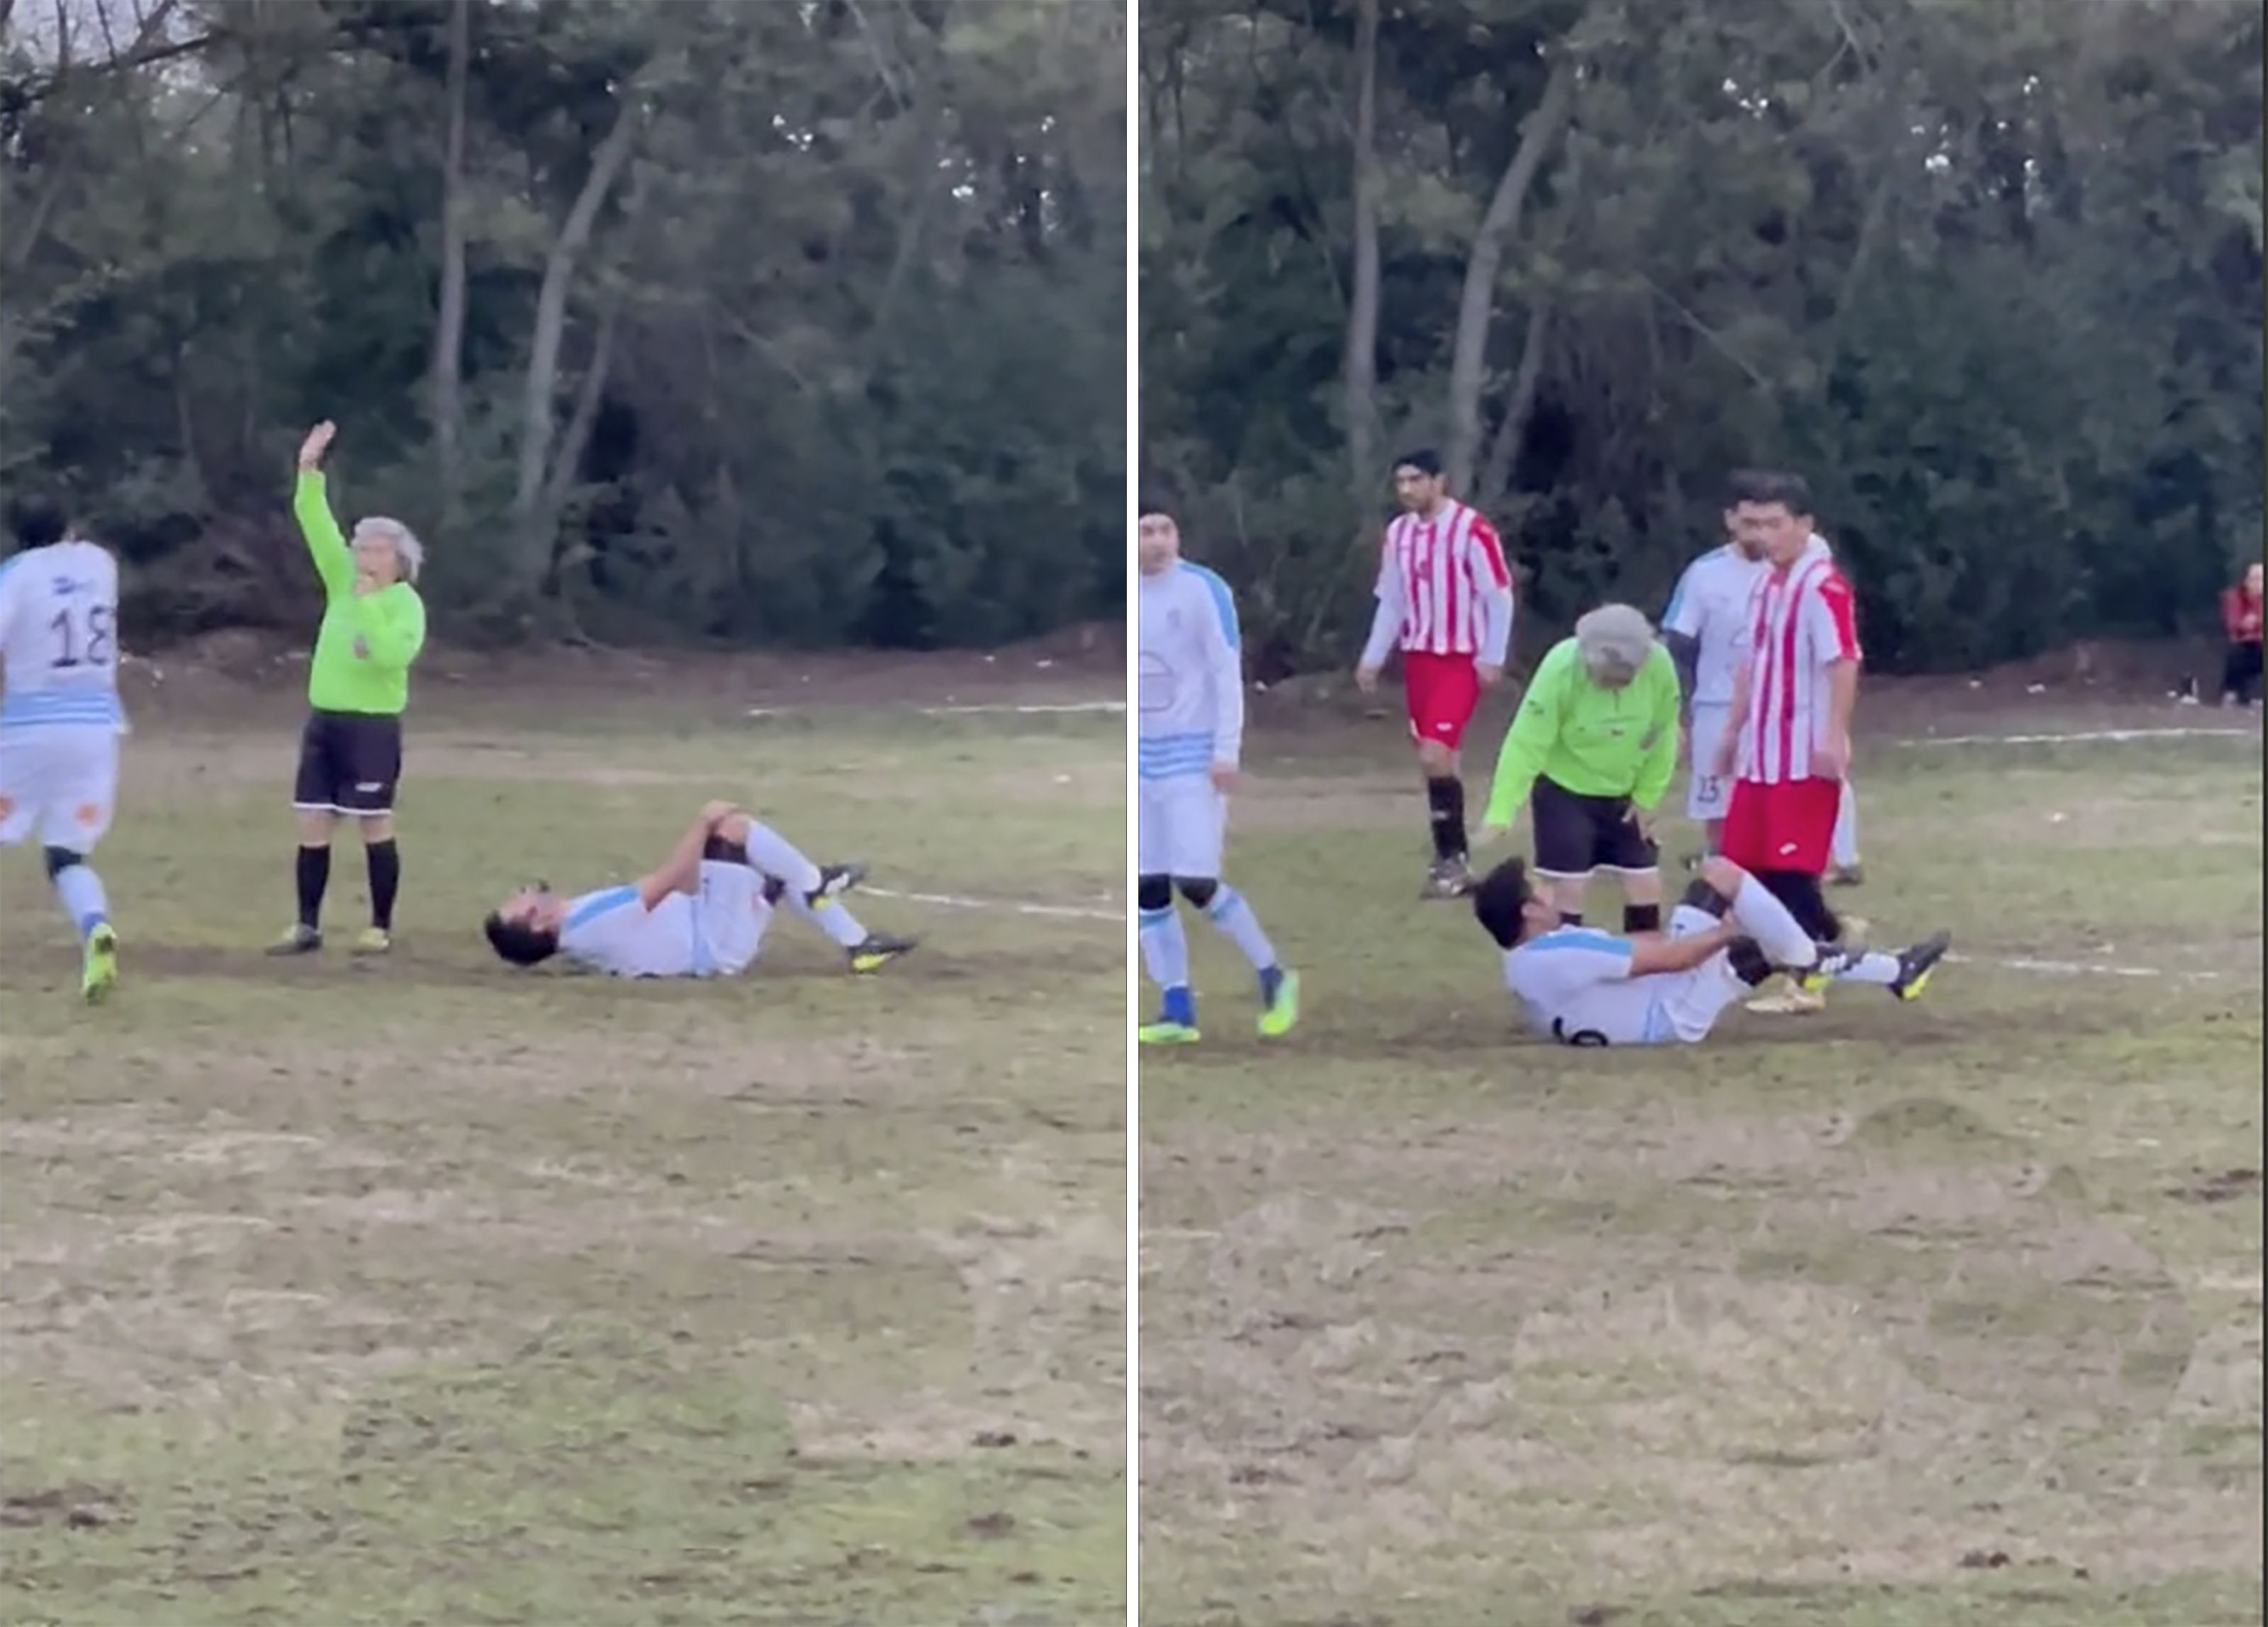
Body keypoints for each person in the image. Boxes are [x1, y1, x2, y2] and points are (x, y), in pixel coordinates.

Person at [1469, 852, 1949, 1047]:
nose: (1551, 891)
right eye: (1540, 889)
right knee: (1729, 884)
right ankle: (1813, 963)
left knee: (1738, 906)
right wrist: (1724, 932)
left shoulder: (1524, 963)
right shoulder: (1562, 953)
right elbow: (1673, 959)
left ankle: (1893, 972)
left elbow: (1639, 950)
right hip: (1673, 1008)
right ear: (1529, 911)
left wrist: (1693, 936)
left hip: (1661, 1010)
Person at [1135, 502, 1299, 1045]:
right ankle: (1176, 1008)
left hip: (1195, 755)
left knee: (1197, 883)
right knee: (1148, 887)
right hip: (1143, 759)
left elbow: (1226, 671)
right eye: (1146, 530)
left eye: (1165, 529)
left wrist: (1226, 751)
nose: (1158, 540)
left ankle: (1273, 974)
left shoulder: (1203, 590)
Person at [269, 421, 429, 957]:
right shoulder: (342, 581)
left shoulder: (404, 604)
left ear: (399, 559)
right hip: (326, 721)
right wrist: (308, 470)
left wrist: (367, 609)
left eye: (378, 550)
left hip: (372, 727)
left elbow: (392, 656)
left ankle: (379, 925)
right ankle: (306, 925)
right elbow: (315, 522)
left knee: (374, 822)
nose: (365, 557)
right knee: (312, 820)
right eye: (362, 548)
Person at [1708, 472, 1860, 1016]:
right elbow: (1752, 665)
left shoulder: (1822, 587)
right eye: (1754, 524)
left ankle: (1809, 977)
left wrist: (1833, 735)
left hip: (1801, 754)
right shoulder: (1765, 586)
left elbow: (1843, 661)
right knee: (1750, 869)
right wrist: (1732, 733)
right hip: (1762, 755)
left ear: (1804, 525)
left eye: (1775, 524)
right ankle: (1831, 938)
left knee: (1791, 872)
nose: (1763, 535)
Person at [482, 799, 917, 977]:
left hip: (707, 925)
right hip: (716, 939)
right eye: (518, 904)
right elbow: (668, 880)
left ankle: (859, 944)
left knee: (768, 864)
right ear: (536, 923)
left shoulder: (578, 924)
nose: (523, 894)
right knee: (733, 830)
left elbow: (676, 888)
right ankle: (817, 884)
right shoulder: (587, 925)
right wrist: (701, 821)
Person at [1354, 449, 1515, 899]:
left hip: (1459, 658)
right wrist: (1373, 656)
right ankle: (1453, 862)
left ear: (1439, 481)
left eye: (1416, 480)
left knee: (1434, 754)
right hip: (1419, 658)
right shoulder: (1399, 534)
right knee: (1439, 762)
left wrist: (1493, 655)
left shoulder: (1471, 529)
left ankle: (1451, 860)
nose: (1407, 489)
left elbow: (1498, 596)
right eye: (1400, 481)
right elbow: (1393, 600)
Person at [1476, 604, 1680, 936]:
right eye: (1608, 676)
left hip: (1625, 794)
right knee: (1568, 890)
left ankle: (1646, 961)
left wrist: (1647, 798)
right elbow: (1526, 744)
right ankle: (1565, 959)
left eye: (1626, 676)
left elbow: (1664, 732)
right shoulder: (1559, 668)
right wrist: (1501, 813)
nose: (1617, 684)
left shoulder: (1660, 667)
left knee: (1645, 882)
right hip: (1565, 793)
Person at [0, 495, 125, 1002]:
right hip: (96, 727)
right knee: (67, 853)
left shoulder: (15, 575)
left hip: (29, 725)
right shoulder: (101, 565)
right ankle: (95, 926)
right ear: (68, 525)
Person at [2221, 563, 2262, 708]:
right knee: (2237, 652)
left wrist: (2254, 623)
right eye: (2255, 578)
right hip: (2244, 646)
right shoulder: (2234, 597)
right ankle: (2231, 693)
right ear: (2246, 581)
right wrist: (2251, 626)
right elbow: (2234, 625)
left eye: (2262, 579)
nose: (2259, 583)